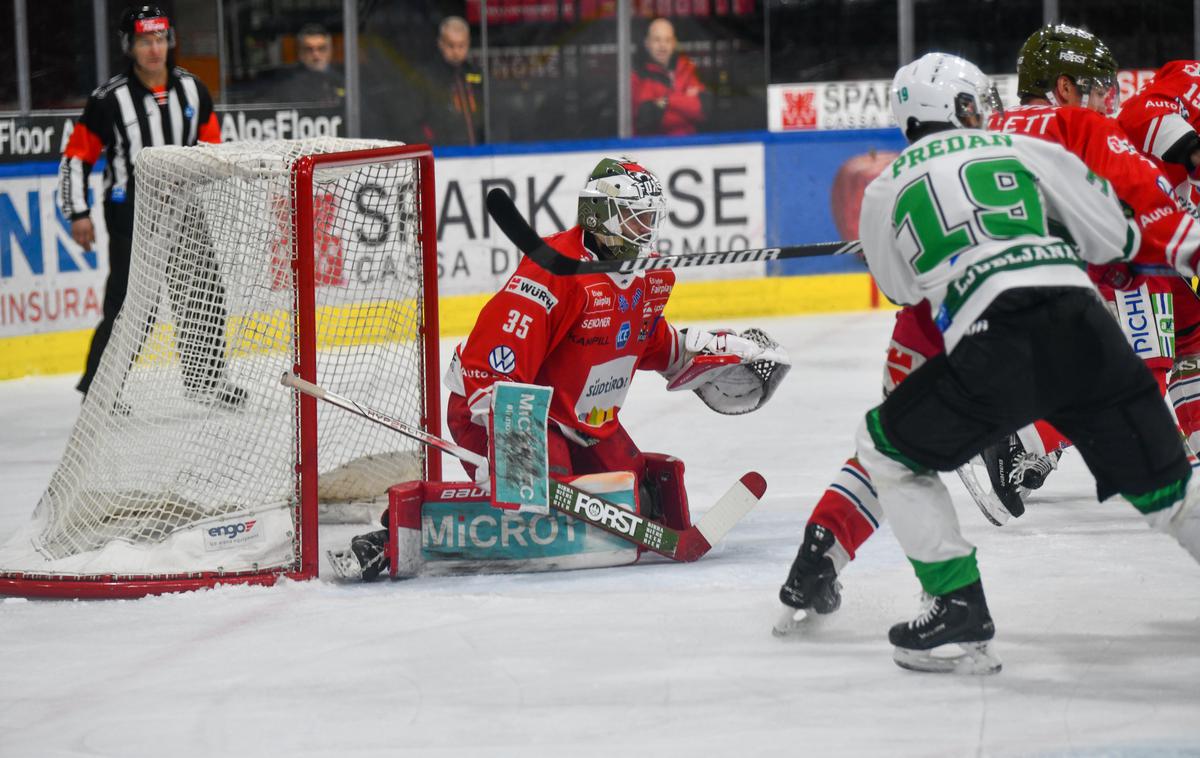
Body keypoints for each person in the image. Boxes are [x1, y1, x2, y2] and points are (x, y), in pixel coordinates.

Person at [775, 24, 1200, 634]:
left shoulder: (888, 184)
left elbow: (903, 291)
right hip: (1077, 307)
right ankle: (1035, 451)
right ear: (967, 106)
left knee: (893, 441)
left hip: (974, 331)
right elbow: (1120, 231)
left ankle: (840, 555)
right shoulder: (1044, 137)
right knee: (1165, 471)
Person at [339, 157, 791, 580]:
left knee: (635, 494)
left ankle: (548, 487)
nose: (646, 228)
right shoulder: (552, 273)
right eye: (635, 216)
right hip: (504, 409)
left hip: (581, 418)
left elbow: (646, 340)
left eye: (651, 217)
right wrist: (515, 456)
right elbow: (491, 365)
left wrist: (708, 354)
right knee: (536, 511)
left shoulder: (648, 275)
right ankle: (399, 531)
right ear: (602, 216)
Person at [58, 4, 245, 409]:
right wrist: (78, 212)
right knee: (128, 305)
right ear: (130, 46)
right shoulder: (108, 99)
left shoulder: (193, 90)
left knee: (203, 293)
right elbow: (76, 158)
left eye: (160, 38)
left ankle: (207, 381)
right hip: (131, 216)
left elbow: (213, 149)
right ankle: (100, 389)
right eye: (145, 40)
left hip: (185, 210)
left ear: (170, 41)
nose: (154, 49)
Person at [1116, 58, 1200, 455]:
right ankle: (1031, 439)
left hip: (1159, 242)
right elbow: (1140, 112)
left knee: (1190, 335)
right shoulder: (1193, 77)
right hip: (1119, 223)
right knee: (1142, 361)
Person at [631, 17, 709, 136]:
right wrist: (684, 99)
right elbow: (645, 120)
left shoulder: (687, 69)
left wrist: (666, 101)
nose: (663, 45)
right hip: (654, 149)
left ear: (673, 44)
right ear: (647, 43)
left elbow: (702, 110)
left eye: (668, 40)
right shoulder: (637, 76)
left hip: (690, 147)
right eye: (657, 40)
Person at [416, 16, 484, 146]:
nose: (456, 51)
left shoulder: (477, 75)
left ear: (468, 43)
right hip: (443, 154)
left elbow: (490, 116)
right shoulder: (428, 77)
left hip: (479, 153)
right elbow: (418, 120)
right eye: (451, 45)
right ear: (441, 44)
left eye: (461, 45)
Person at [276, 23, 345, 105]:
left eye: (321, 48)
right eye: (309, 49)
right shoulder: (287, 85)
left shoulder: (345, 79)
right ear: (300, 53)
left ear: (330, 51)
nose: (316, 55)